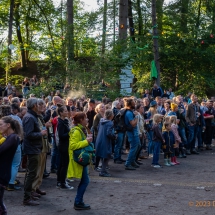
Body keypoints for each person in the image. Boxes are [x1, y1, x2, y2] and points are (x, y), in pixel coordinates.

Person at [23, 98, 47, 206]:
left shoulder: (33, 116)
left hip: (35, 147)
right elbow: (28, 134)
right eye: (38, 104)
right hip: (32, 148)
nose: (39, 105)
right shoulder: (30, 117)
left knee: (32, 172)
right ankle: (27, 198)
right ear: (34, 106)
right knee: (31, 173)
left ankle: (29, 195)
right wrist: (41, 134)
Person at [67, 112, 92, 210]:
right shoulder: (76, 131)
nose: (87, 120)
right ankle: (78, 202)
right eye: (86, 118)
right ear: (81, 120)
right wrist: (86, 141)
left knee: (85, 180)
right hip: (79, 159)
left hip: (81, 159)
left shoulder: (80, 129)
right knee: (85, 181)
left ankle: (79, 201)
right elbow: (72, 146)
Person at [0, 116, 23, 214]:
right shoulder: (9, 137)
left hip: (2, 173)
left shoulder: (13, 137)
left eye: (0, 124)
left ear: (8, 125)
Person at [31, 99, 51, 197]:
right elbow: (29, 133)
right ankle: (32, 189)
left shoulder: (39, 116)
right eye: (40, 104)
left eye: (43, 104)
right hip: (38, 147)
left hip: (43, 146)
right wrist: (42, 131)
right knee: (37, 169)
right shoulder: (31, 117)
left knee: (41, 169)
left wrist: (44, 126)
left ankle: (37, 186)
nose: (42, 106)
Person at [56, 105, 74, 190]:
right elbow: (61, 135)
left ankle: (60, 181)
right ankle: (62, 182)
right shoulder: (60, 123)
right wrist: (70, 133)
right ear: (61, 113)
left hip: (64, 145)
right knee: (64, 164)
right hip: (63, 146)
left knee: (61, 164)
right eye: (65, 111)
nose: (67, 112)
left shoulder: (64, 121)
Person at [95, 109, 116, 177]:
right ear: (110, 116)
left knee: (102, 155)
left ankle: (102, 169)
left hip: (99, 139)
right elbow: (109, 133)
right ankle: (103, 171)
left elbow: (98, 128)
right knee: (106, 156)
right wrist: (114, 136)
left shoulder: (101, 121)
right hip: (106, 141)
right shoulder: (110, 123)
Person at [124, 98, 141, 170]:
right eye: (133, 103)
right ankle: (128, 164)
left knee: (138, 146)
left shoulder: (131, 112)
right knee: (134, 148)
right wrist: (137, 116)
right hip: (132, 133)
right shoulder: (128, 113)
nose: (135, 104)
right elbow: (133, 124)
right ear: (130, 105)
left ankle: (132, 161)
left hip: (134, 132)